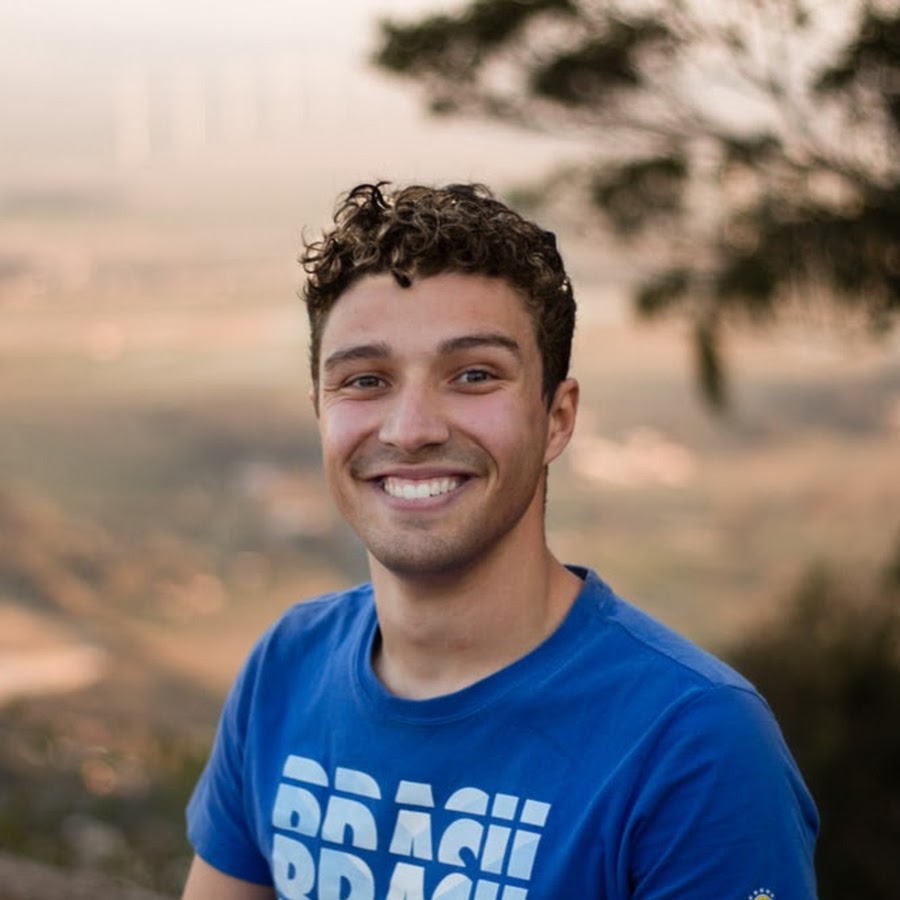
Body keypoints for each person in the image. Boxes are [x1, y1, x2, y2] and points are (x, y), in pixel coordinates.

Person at [181, 182, 818, 899]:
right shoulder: (286, 671)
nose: (411, 427)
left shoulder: (696, 746)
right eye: (365, 380)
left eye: (474, 375)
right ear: (320, 414)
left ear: (556, 416)